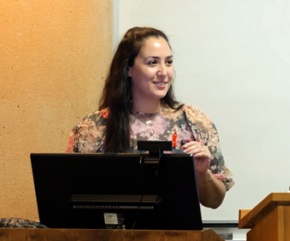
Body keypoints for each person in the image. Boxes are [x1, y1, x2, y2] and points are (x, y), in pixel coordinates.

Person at [66, 27, 234, 209]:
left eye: (168, 62)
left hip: (176, 236)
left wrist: (202, 174)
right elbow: (69, 193)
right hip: (111, 235)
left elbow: (215, 201)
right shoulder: (93, 128)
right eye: (153, 63)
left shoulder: (193, 121)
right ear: (128, 68)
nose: (164, 72)